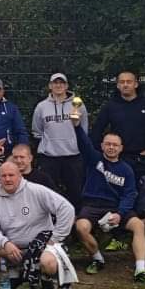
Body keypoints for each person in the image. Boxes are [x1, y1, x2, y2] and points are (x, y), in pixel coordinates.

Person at [68, 111, 145, 285]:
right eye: (108, 144)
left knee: (138, 225)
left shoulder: (126, 170)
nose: (111, 147)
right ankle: (97, 259)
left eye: (115, 145)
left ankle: (140, 270)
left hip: (116, 207)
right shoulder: (94, 159)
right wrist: (76, 126)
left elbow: (129, 194)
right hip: (93, 205)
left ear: (121, 148)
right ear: (102, 146)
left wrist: (120, 214)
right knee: (81, 227)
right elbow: (84, 143)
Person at [0, 162, 77, 289]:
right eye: (3, 176)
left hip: (41, 247)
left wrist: (56, 237)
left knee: (48, 263)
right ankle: (15, 274)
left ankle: (47, 278)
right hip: (14, 248)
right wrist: (5, 243)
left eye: (11, 175)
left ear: (20, 176)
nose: (7, 179)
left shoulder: (36, 190)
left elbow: (66, 209)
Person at [90, 70, 145, 180]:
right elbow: (96, 131)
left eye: (129, 82)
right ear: (118, 85)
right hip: (117, 160)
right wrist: (103, 152)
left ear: (136, 84)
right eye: (122, 82)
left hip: (143, 160)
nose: (125, 85)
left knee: (144, 189)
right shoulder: (110, 107)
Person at [31, 72, 88, 207]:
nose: (58, 85)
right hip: (49, 157)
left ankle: (76, 219)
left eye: (61, 82)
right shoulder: (41, 107)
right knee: (48, 193)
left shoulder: (78, 104)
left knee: (76, 193)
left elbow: (83, 129)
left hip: (73, 156)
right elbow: (37, 131)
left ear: (67, 86)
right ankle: (50, 219)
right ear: (50, 86)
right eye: (55, 83)